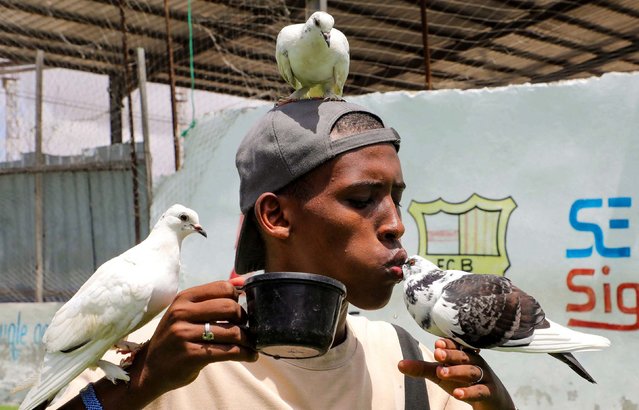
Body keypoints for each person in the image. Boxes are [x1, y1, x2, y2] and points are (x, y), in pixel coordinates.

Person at [54, 99, 515, 409]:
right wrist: (139, 386)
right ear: (275, 216)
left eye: (397, 198)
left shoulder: (413, 364)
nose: (395, 223)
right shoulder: (166, 350)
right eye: (361, 200)